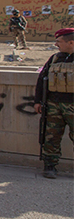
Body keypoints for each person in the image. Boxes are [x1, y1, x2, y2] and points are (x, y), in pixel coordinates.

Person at [33, 27, 74, 179]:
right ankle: (50, 166)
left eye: (59, 42)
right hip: (54, 105)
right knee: (51, 136)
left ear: (71, 42)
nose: (56, 45)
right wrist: (37, 101)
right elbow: (42, 79)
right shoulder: (55, 58)